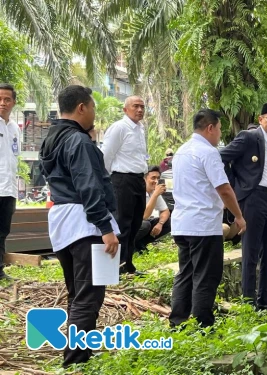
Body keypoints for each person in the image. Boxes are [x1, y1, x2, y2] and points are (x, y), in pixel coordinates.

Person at [39, 85, 120, 367]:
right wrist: (105, 229)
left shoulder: (51, 138)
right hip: (85, 224)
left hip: (62, 222)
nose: (95, 113)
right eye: (93, 107)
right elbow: (89, 186)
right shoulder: (79, 141)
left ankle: (80, 350)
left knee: (78, 292)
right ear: (82, 108)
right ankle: (74, 361)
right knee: (90, 293)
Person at [169, 109, 246, 328]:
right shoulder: (208, 152)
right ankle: (203, 325)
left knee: (186, 273)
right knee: (206, 276)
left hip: (183, 224)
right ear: (210, 128)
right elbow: (224, 189)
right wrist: (239, 217)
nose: (220, 134)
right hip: (203, 225)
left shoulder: (181, 151)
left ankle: (178, 322)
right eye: (220, 129)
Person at [220, 103, 267, 312]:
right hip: (253, 197)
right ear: (260, 119)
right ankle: (249, 302)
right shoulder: (249, 137)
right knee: (251, 251)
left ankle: (266, 300)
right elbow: (221, 157)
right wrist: (237, 187)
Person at [102, 96, 148, 275]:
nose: (139, 110)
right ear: (125, 109)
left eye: (142, 107)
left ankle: (128, 264)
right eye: (135, 106)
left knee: (136, 223)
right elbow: (106, 155)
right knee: (122, 224)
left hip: (138, 180)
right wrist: (106, 181)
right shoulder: (119, 128)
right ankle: (118, 267)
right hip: (122, 180)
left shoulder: (140, 129)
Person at [0, 84, 20, 281]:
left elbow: (14, 157)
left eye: (7, 99)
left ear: (13, 102)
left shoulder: (14, 128)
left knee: (3, 231)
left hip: (9, 189)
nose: (2, 103)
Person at [134, 166, 171, 252]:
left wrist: (160, 224)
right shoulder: (138, 191)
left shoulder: (153, 192)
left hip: (144, 223)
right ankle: (131, 245)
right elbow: (144, 216)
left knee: (168, 222)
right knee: (145, 225)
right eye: (153, 178)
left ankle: (140, 244)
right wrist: (155, 195)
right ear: (144, 179)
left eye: (158, 178)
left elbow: (165, 211)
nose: (156, 181)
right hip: (132, 225)